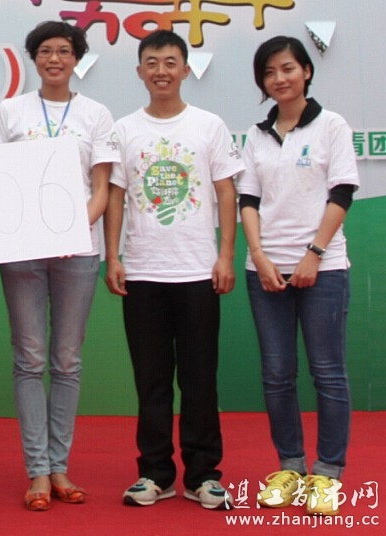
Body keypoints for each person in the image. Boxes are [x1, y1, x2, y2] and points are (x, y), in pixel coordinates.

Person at [104, 29, 243, 510]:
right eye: (151, 62)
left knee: (201, 380)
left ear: (185, 69)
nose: (160, 71)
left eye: (169, 62)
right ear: (139, 71)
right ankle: (155, 473)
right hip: (143, 273)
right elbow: (116, 197)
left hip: (198, 272)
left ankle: (203, 475)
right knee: (152, 381)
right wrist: (113, 256)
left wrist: (226, 256)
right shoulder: (125, 129)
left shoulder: (209, 126)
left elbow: (227, 192)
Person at [0, 21, 119, 511]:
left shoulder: (96, 113)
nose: (54, 59)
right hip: (22, 250)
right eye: (45, 51)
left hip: (78, 250)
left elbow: (101, 188)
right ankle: (38, 471)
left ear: (77, 58)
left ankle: (60, 465)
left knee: (67, 360)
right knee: (29, 358)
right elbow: (1, 181)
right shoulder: (11, 110)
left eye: (64, 51)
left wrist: (69, 231)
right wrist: (37, 232)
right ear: (33, 57)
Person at [237, 36, 358, 516]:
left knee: (327, 372)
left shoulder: (332, 125)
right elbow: (248, 201)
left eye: (287, 68)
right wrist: (259, 256)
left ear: (306, 71)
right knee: (277, 375)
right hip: (265, 271)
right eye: (269, 72)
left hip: (323, 269)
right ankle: (290, 468)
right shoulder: (256, 135)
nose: (279, 79)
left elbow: (342, 192)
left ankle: (327, 473)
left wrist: (314, 254)